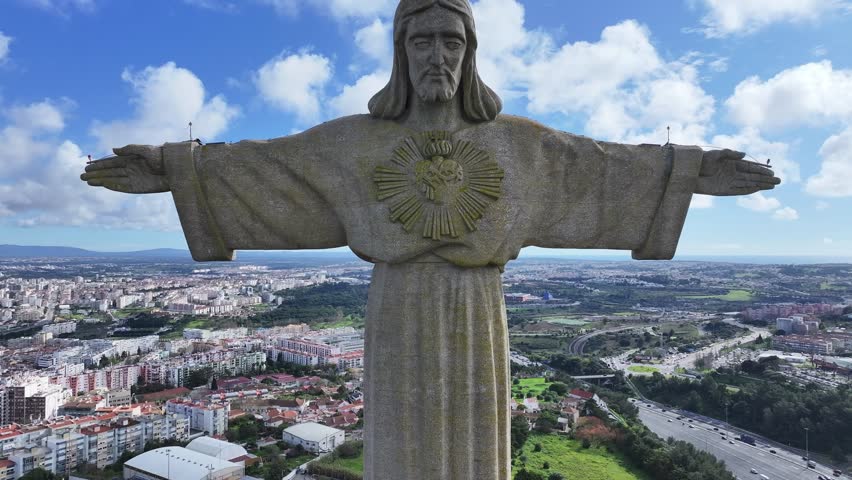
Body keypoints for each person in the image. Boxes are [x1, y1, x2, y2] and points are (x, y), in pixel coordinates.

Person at [81, 1, 779, 478]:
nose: (438, 54)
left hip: (479, 311)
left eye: (452, 40)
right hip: (398, 309)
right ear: (401, 51)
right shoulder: (353, 142)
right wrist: (175, 171)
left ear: (470, 51)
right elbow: (262, 166)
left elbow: (603, 169)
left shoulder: (519, 145)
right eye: (422, 40)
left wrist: (689, 172)